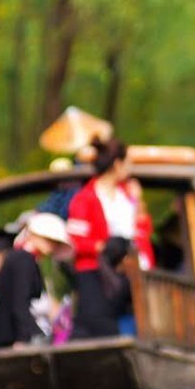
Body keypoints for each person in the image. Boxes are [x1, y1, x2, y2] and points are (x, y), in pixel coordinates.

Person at [66, 137, 138, 338]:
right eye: (128, 163)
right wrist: (103, 247)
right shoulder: (84, 198)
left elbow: (139, 229)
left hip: (123, 270)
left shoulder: (127, 195)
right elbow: (76, 241)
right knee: (96, 326)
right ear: (117, 164)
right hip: (94, 272)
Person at [0, 213, 73, 349]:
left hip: (11, 336)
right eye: (48, 239)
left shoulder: (25, 259)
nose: (52, 246)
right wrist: (36, 335)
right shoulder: (23, 260)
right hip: (11, 340)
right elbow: (19, 305)